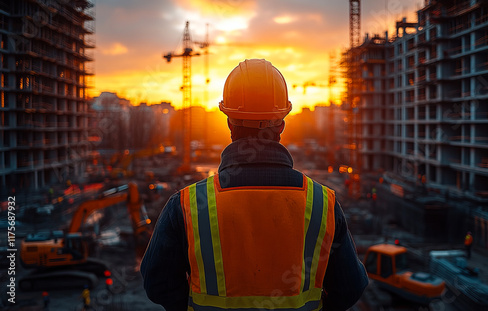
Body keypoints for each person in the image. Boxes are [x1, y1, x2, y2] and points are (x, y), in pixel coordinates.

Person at [141, 59, 368, 311]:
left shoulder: (186, 205)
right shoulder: (322, 204)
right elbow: (350, 287)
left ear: (229, 122)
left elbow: (157, 282)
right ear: (281, 124)